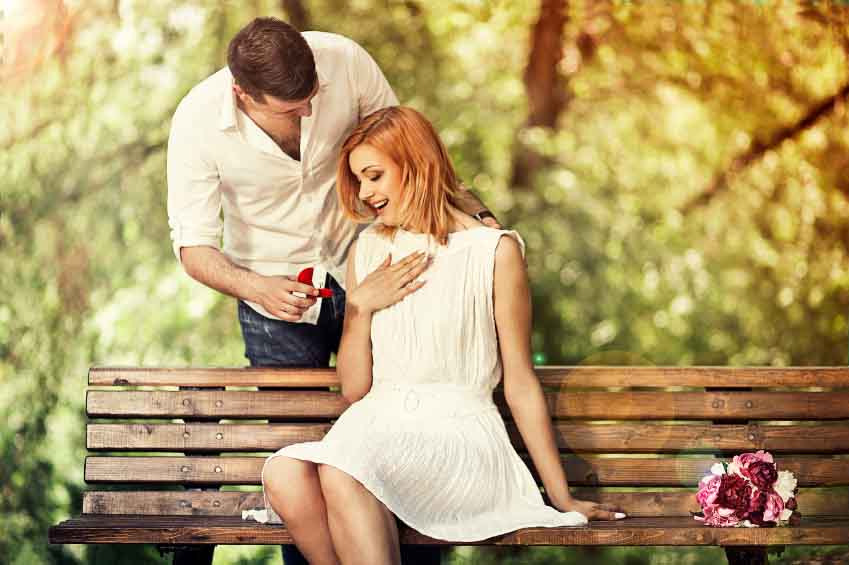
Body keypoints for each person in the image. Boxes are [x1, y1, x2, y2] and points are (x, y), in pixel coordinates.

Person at [166, 17, 495, 565]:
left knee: (393, 435)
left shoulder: (344, 60)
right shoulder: (197, 123)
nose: (309, 112)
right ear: (242, 93)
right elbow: (195, 250)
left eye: (312, 96)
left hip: (366, 267)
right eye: (291, 107)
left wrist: (477, 216)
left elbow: (407, 151)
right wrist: (257, 288)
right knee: (301, 460)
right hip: (275, 306)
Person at [259, 106, 627, 565]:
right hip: (374, 427)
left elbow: (519, 381)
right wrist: (358, 307)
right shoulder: (369, 248)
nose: (366, 193)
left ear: (415, 164)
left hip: (456, 435)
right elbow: (355, 390)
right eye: (359, 180)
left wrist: (561, 496)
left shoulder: (494, 251)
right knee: (286, 474)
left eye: (374, 176)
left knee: (340, 472)